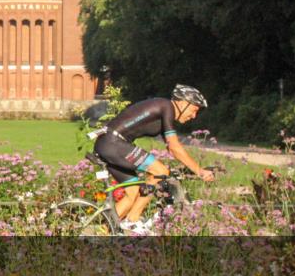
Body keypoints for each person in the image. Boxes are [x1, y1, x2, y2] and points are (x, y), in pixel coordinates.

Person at [92, 84, 215, 233]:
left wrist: (188, 169)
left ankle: (99, 235)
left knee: (133, 193)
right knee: (160, 171)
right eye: (194, 110)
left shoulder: (164, 110)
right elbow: (175, 147)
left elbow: (171, 148)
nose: (194, 116)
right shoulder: (167, 106)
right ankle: (133, 220)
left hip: (108, 144)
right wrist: (199, 170)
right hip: (113, 143)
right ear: (183, 102)